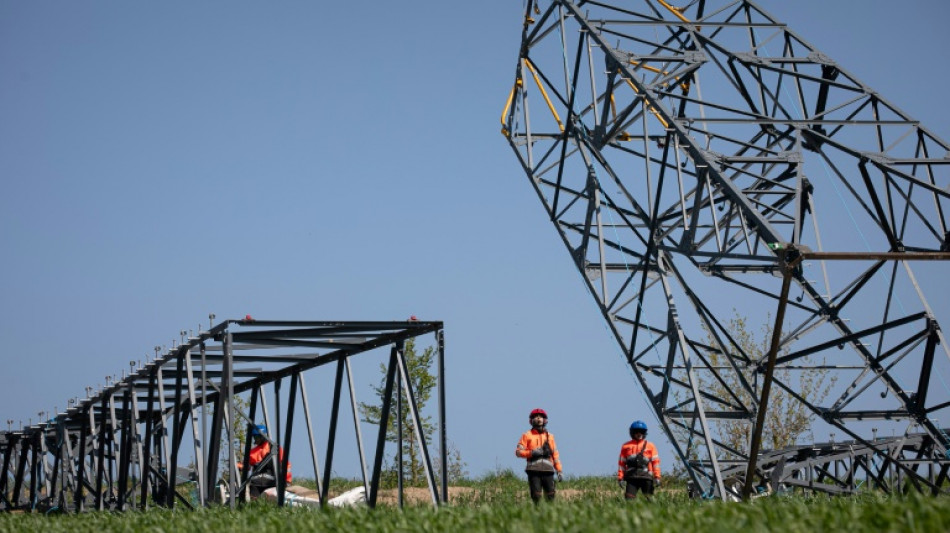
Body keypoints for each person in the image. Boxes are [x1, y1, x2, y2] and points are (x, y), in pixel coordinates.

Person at [515, 408, 563, 502]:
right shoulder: (526, 435)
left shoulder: (550, 437)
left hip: (548, 470)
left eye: (541, 417)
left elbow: (555, 455)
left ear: (545, 420)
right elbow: (518, 452)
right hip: (533, 470)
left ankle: (549, 515)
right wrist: (532, 453)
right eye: (536, 417)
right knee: (536, 496)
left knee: (551, 495)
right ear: (531, 420)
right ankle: (537, 514)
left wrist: (559, 470)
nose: (538, 418)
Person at [237, 424, 292, 498]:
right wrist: (238, 466)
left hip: (272, 482)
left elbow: (285, 465)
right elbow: (247, 466)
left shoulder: (275, 449)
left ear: (263, 436)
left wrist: (286, 481)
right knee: (253, 499)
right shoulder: (252, 452)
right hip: (256, 483)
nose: (255, 439)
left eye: (257, 437)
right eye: (254, 437)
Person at [617, 420, 661, 500]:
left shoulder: (650, 446)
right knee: (629, 499)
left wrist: (657, 477)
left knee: (649, 500)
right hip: (632, 478)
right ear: (632, 433)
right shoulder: (626, 446)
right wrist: (620, 478)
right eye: (636, 431)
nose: (639, 433)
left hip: (646, 477)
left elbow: (656, 462)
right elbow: (622, 464)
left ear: (644, 433)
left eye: (641, 431)